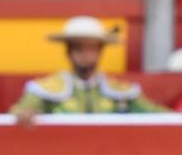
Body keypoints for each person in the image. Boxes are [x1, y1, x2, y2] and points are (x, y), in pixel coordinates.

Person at [11, 16, 166, 118]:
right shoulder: (46, 89)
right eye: (79, 48)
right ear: (69, 52)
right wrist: (24, 114)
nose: (85, 54)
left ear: (99, 52)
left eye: (91, 49)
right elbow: (17, 113)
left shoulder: (121, 92)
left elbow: (156, 114)